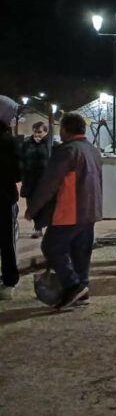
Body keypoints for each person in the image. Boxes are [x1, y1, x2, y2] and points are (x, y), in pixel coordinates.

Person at [26, 113, 102, 307]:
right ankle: (82, 290)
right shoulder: (92, 150)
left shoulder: (66, 151)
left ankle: (73, 285)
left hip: (70, 209)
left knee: (52, 246)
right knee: (81, 252)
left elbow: (49, 183)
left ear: (65, 129)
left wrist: (33, 207)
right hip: (90, 210)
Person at [0, 97, 21, 300]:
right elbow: (17, 173)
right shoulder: (8, 141)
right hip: (3, 196)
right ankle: (8, 281)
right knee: (6, 241)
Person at [20, 122, 52, 238]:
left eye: (39, 132)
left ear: (45, 132)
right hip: (30, 180)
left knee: (45, 205)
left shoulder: (50, 144)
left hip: (44, 180)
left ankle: (44, 227)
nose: (37, 134)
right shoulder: (27, 144)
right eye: (35, 131)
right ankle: (37, 228)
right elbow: (22, 158)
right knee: (32, 204)